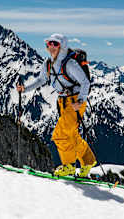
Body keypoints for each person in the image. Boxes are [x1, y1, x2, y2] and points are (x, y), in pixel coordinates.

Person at [16, 33, 97, 177]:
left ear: (62, 46)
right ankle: (88, 161)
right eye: (49, 44)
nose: (51, 47)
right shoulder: (47, 64)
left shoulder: (70, 64)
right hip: (63, 102)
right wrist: (25, 89)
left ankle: (69, 166)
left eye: (55, 44)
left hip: (75, 102)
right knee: (71, 135)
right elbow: (41, 80)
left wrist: (80, 101)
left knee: (60, 135)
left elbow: (85, 82)